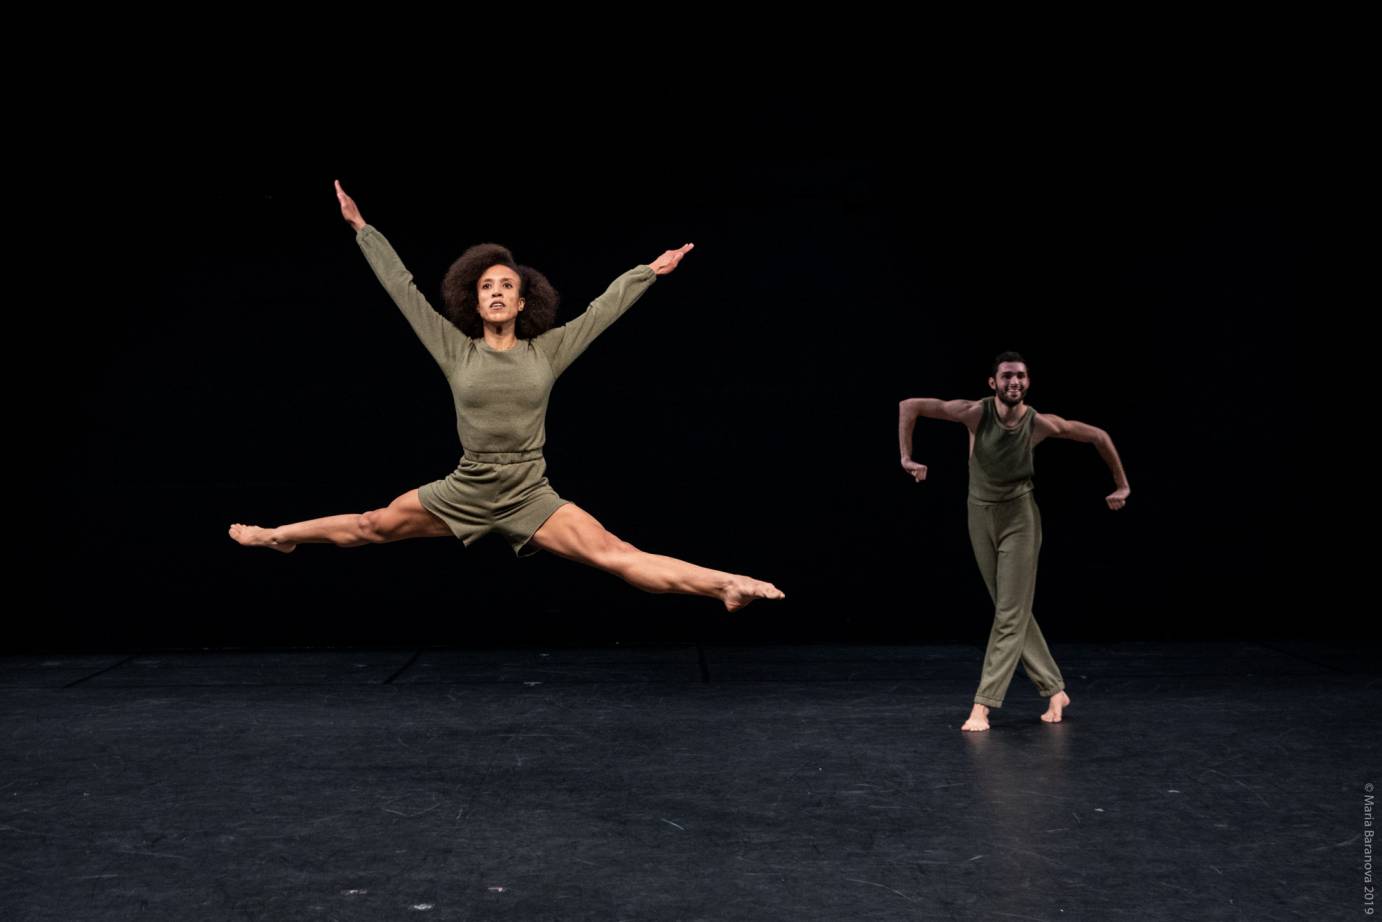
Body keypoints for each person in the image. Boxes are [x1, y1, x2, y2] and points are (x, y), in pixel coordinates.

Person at [230, 181, 784, 612]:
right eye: (487, 286)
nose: (496, 292)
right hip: (466, 486)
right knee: (372, 525)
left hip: (528, 492)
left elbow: (601, 312)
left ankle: (724, 586)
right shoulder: (455, 349)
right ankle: (279, 537)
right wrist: (363, 229)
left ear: (523, 302)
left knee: (616, 555)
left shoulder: (547, 350)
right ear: (474, 300)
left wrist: (649, 272)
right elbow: (403, 290)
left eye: (507, 286)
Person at [898, 352, 1128, 730]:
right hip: (979, 514)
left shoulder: (1038, 424)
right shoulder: (975, 413)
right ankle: (1055, 688)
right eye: (1006, 377)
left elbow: (1097, 436)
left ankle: (983, 704)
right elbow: (910, 405)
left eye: (1020, 376)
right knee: (1012, 608)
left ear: (1028, 382)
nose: (1013, 382)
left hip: (1020, 518)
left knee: (1008, 613)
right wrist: (907, 458)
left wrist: (1121, 485)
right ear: (993, 383)